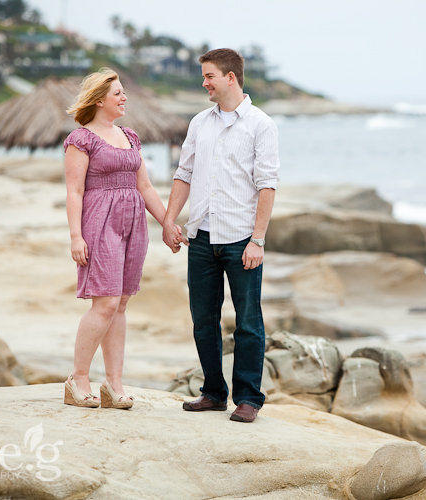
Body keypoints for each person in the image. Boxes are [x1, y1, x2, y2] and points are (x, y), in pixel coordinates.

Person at [162, 48, 279, 423]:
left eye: (209, 76)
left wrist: (257, 240)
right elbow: (184, 174)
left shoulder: (261, 125)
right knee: (203, 320)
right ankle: (213, 392)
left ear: (231, 77)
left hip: (241, 239)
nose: (204, 82)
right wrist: (169, 220)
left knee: (247, 321)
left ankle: (249, 399)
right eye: (204, 76)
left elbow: (267, 185)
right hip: (200, 238)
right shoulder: (199, 122)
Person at [62, 67, 170, 409]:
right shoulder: (81, 139)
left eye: (124, 92)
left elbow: (146, 187)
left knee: (121, 303)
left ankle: (113, 384)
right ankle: (78, 379)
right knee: (106, 302)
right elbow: (74, 191)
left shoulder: (130, 137)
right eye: (118, 93)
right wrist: (76, 236)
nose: (124, 98)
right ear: (99, 100)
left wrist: (167, 222)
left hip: (133, 222)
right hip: (99, 221)